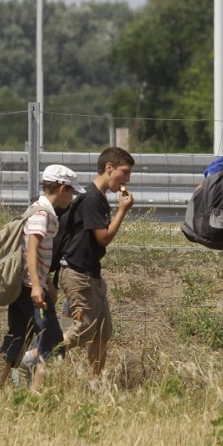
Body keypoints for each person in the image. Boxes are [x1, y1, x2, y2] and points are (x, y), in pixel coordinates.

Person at [0, 164, 83, 397]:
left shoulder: (37, 208)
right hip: (32, 290)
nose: (71, 197)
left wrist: (45, 280)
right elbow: (31, 250)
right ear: (61, 189)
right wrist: (38, 286)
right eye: (71, 192)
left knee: (16, 338)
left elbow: (36, 253)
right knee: (51, 342)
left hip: (25, 286)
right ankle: (36, 396)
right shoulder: (43, 214)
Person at [57, 147, 134, 383]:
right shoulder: (91, 198)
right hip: (78, 276)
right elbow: (103, 238)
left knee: (102, 332)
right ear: (109, 168)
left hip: (91, 275)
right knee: (83, 328)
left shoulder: (98, 199)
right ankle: (36, 356)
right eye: (125, 172)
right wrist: (122, 211)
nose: (127, 179)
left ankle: (94, 383)